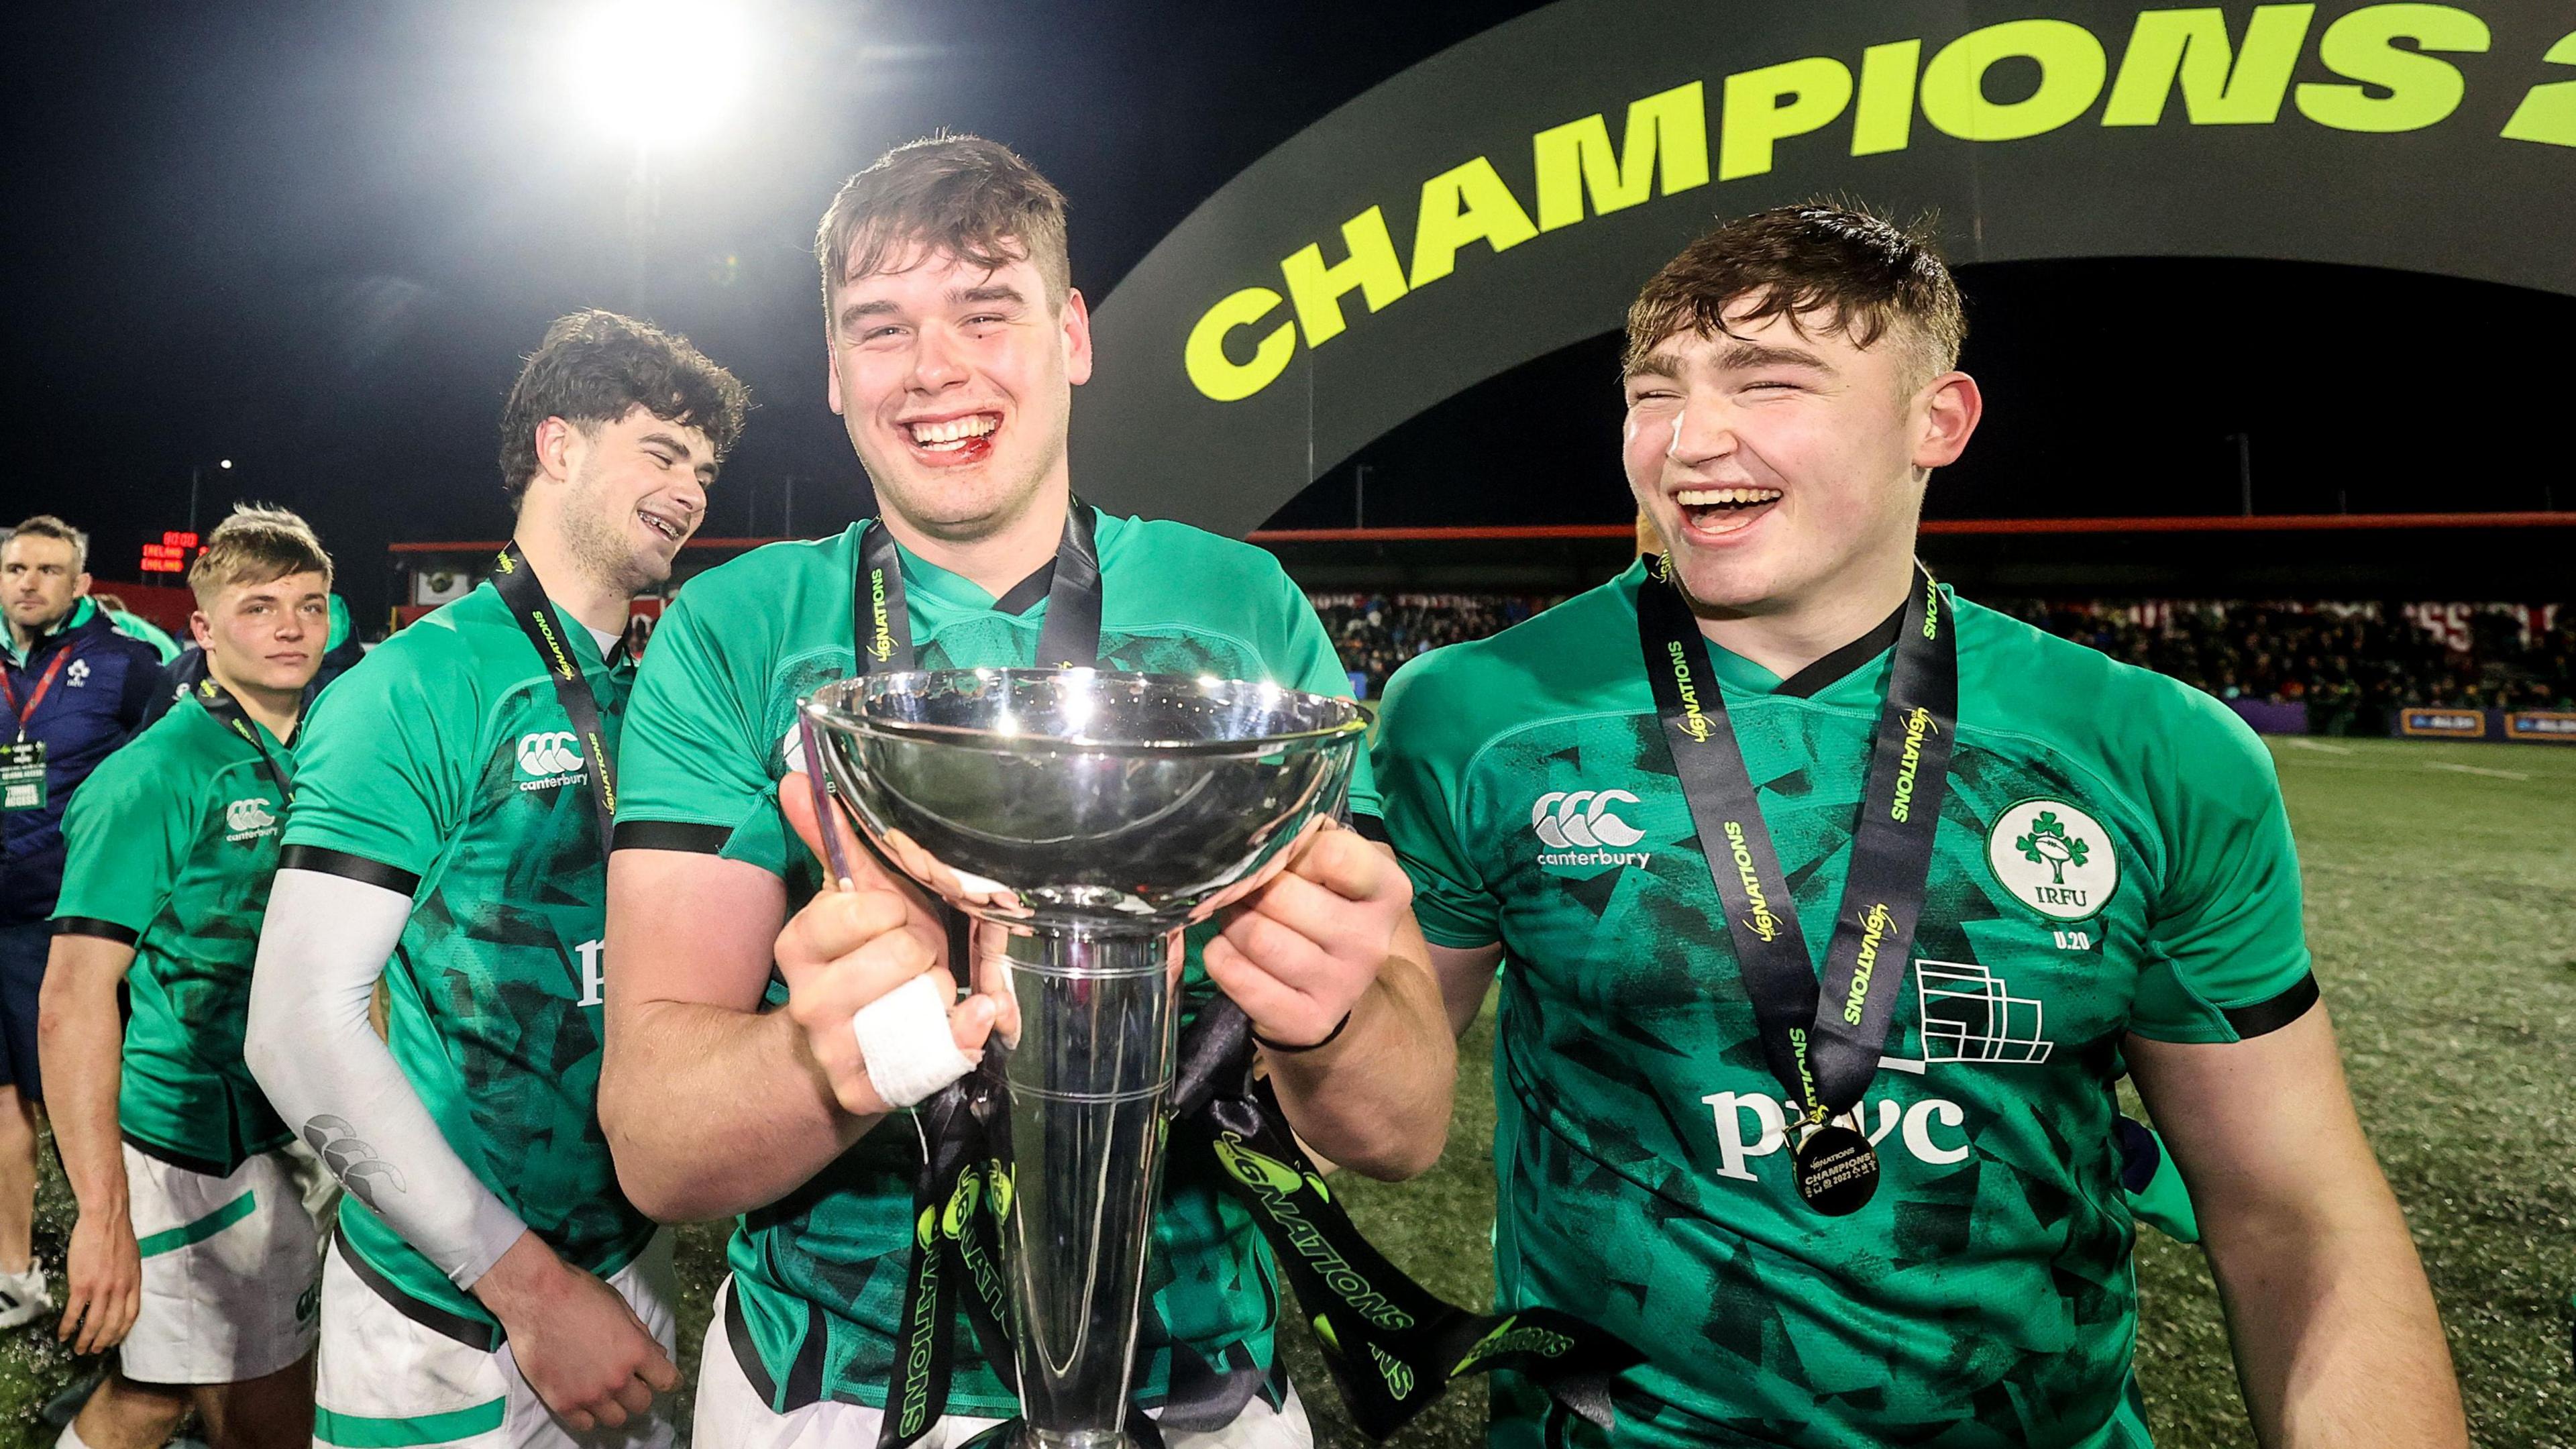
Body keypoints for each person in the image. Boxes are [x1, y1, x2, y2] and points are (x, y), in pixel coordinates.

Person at [1368, 205, 2468, 1448]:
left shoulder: (2152, 750)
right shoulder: (1477, 716)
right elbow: (1376, 1113)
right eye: (1655, 390)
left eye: (1769, 382)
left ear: (1936, 422)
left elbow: (2293, 1210)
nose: (1691, 438)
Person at [599, 134, 1452, 1448]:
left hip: (1200, 1387)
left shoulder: (1239, 610)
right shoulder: (744, 627)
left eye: (985, 312)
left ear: (1072, 334)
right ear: (834, 372)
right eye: (880, 327)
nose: (935, 369)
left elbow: (1401, 1125)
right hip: (838, 1387)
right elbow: (659, 1143)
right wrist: (855, 1053)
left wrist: (1330, 1017)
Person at [242, 311, 748, 1448]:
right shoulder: (417, 684)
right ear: (558, 446)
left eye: (706, 470)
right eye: (661, 452)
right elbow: (292, 1025)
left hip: (623, 1257)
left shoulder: (659, 689)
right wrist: (523, 1285)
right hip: (457, 1307)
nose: (691, 491)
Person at [40, 506, 337, 1449]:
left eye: (311, 604)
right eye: (259, 607)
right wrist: (100, 1215)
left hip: (290, 1124)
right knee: (259, 1410)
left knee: (171, 1393)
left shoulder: (326, 746)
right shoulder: (158, 772)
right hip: (192, 1145)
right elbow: (72, 998)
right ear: (202, 629)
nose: (291, 627)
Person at [0, 517, 164, 1330]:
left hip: (77, 925)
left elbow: (163, 776)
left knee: (88, 1103)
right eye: (15, 568)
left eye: (47, 569)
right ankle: (14, 1274)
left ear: (81, 583)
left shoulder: (127, 666)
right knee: (2, 1103)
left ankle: (137, 1250)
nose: (27, 583)